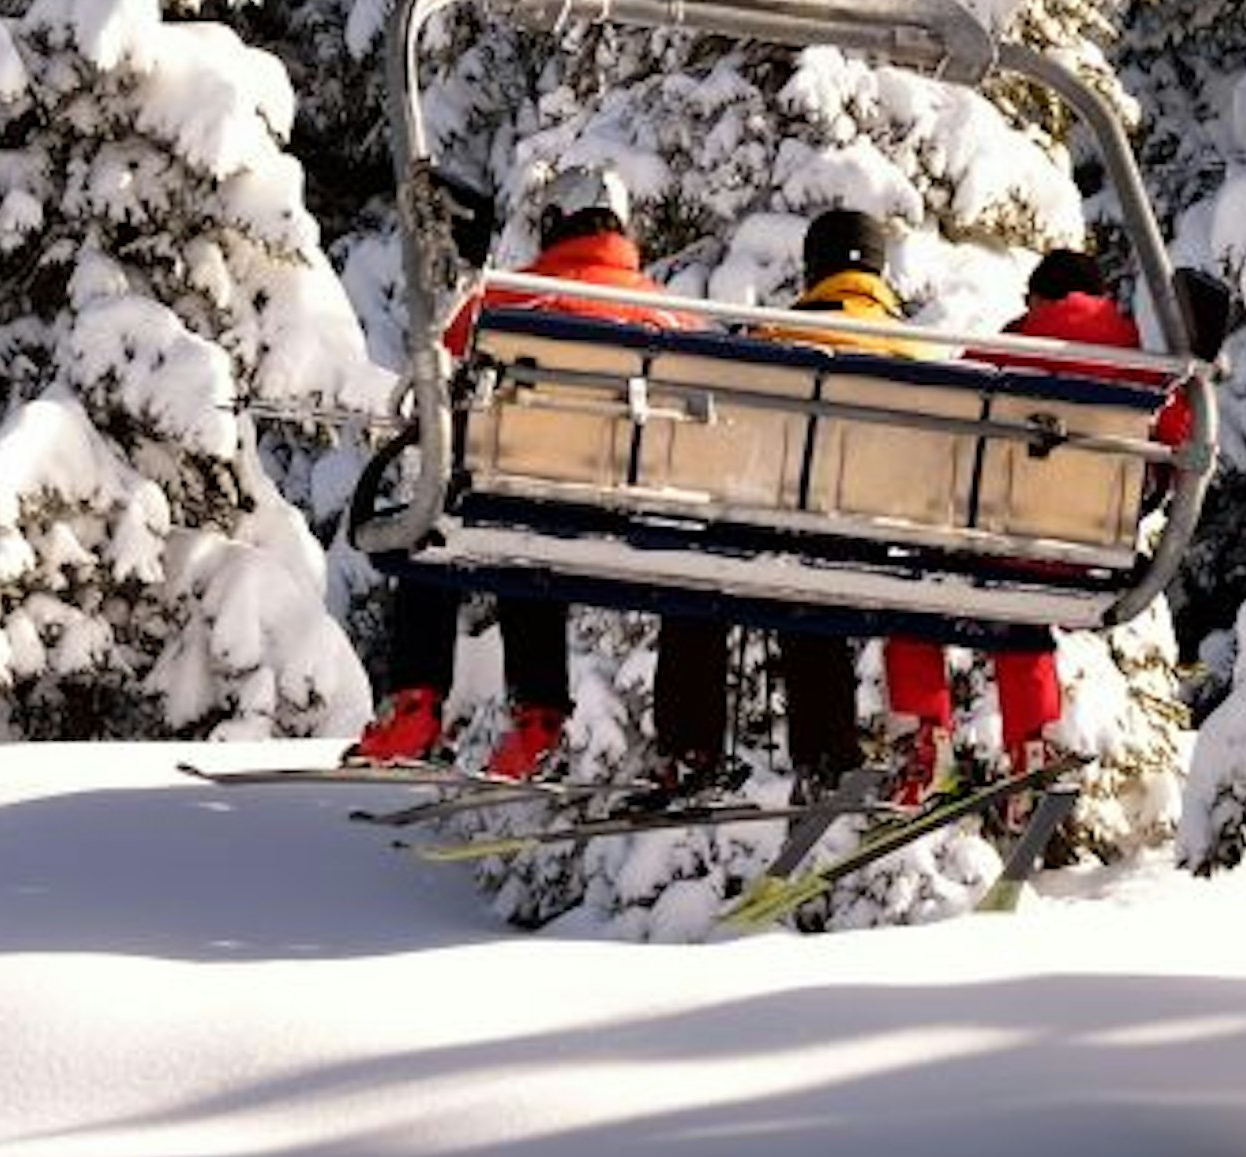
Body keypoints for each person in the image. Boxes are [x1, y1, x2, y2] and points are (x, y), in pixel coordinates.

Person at [350, 176, 686, 781]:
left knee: (449, 530)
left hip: (514, 499)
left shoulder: (505, 305)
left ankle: (422, 707)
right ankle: (539, 719)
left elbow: (445, 365)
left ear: (555, 222)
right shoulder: (671, 319)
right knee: (532, 543)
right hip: (625, 513)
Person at [874, 246, 1210, 807]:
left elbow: (945, 420)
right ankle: (1032, 746)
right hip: (1088, 543)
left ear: (1036, 298)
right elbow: (1179, 441)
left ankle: (925, 736)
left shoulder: (1010, 348)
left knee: (919, 605)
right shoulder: (1143, 362)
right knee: (1023, 619)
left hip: (999, 534)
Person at [650, 206, 905, 798]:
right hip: (872, 535)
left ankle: (693, 746)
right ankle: (826, 753)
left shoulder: (777, 340)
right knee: (812, 595)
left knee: (705, 585)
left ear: (814, 268)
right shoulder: (915, 354)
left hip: (780, 523)